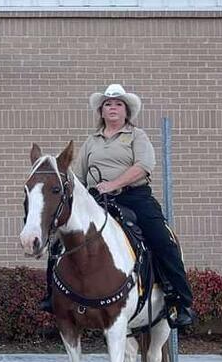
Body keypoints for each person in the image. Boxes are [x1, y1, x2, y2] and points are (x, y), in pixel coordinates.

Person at [41, 83, 196, 329]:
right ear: (101, 112)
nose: (112, 108)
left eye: (118, 104)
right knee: (60, 238)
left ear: (126, 112)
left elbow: (143, 166)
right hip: (97, 201)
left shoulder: (136, 136)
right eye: (108, 104)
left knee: (162, 239)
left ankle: (180, 300)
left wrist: (112, 184)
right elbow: (78, 176)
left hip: (134, 197)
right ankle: (53, 296)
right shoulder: (91, 142)